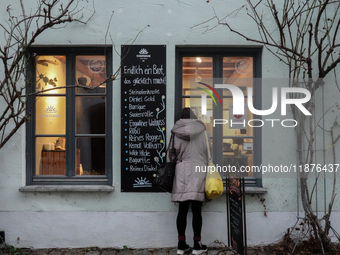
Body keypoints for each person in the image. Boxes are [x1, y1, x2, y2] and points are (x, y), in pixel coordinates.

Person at [169, 108, 209, 255]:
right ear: (194, 117)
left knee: (182, 210)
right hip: (198, 171)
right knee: (197, 210)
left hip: (181, 172)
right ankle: (197, 246)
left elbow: (171, 154)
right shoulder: (203, 132)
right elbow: (208, 151)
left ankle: (181, 245)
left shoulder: (175, 132)